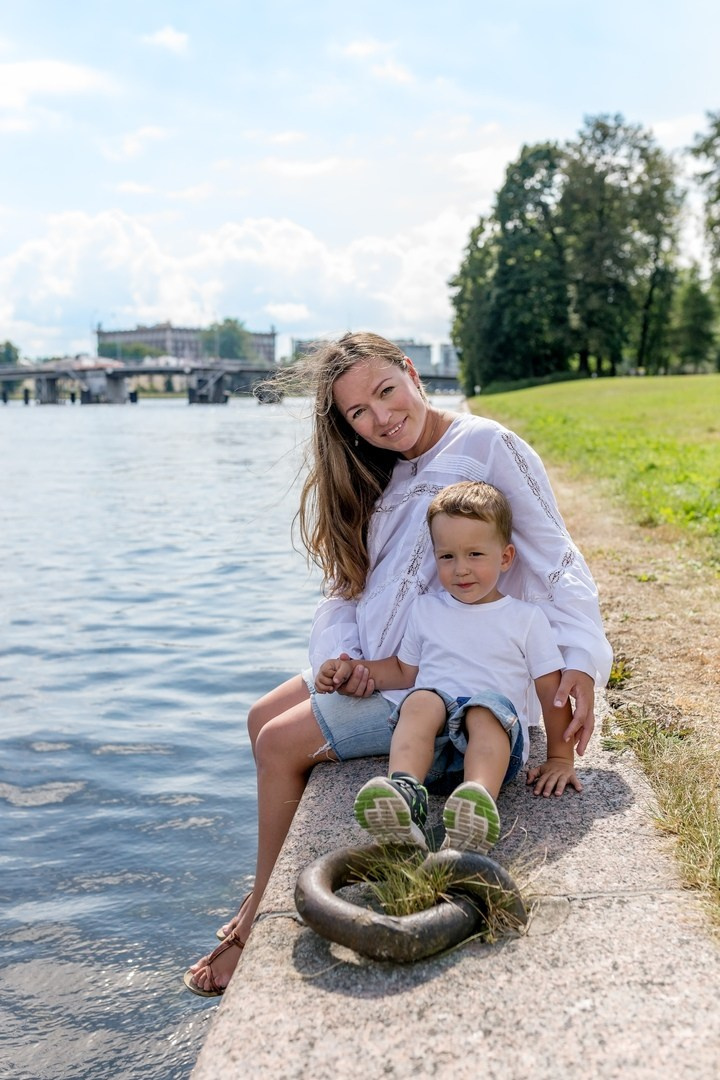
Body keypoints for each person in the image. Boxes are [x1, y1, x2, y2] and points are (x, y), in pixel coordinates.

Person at [184, 332, 612, 997]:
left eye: (386, 391)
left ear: (411, 372)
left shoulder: (486, 447)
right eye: (358, 412)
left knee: (278, 742)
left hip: (446, 679)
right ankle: (262, 884)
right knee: (260, 713)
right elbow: (350, 588)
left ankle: (255, 918)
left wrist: (579, 657)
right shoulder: (387, 471)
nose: (380, 418)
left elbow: (556, 557)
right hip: (387, 667)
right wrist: (344, 661)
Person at [316, 480, 579, 855]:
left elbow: (550, 689)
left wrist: (559, 757)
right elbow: (401, 671)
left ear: (505, 558)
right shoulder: (426, 609)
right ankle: (405, 793)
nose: (461, 570)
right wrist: (352, 670)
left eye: (475, 554)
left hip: (493, 750)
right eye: (447, 557)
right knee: (421, 699)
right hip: (435, 755)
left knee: (484, 708)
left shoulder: (525, 618)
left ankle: (476, 805)